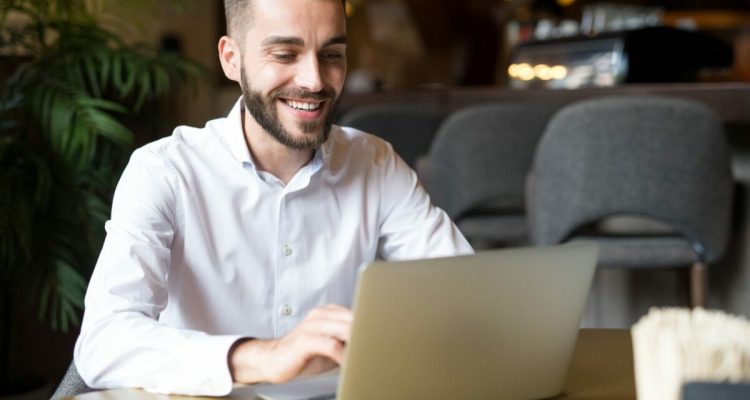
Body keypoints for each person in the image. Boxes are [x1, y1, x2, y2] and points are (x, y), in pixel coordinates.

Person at [74, 0, 472, 396]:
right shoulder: (164, 171)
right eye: (285, 54)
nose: (315, 80)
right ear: (232, 58)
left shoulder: (376, 162)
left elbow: (466, 295)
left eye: (332, 55)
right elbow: (103, 342)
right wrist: (266, 357)